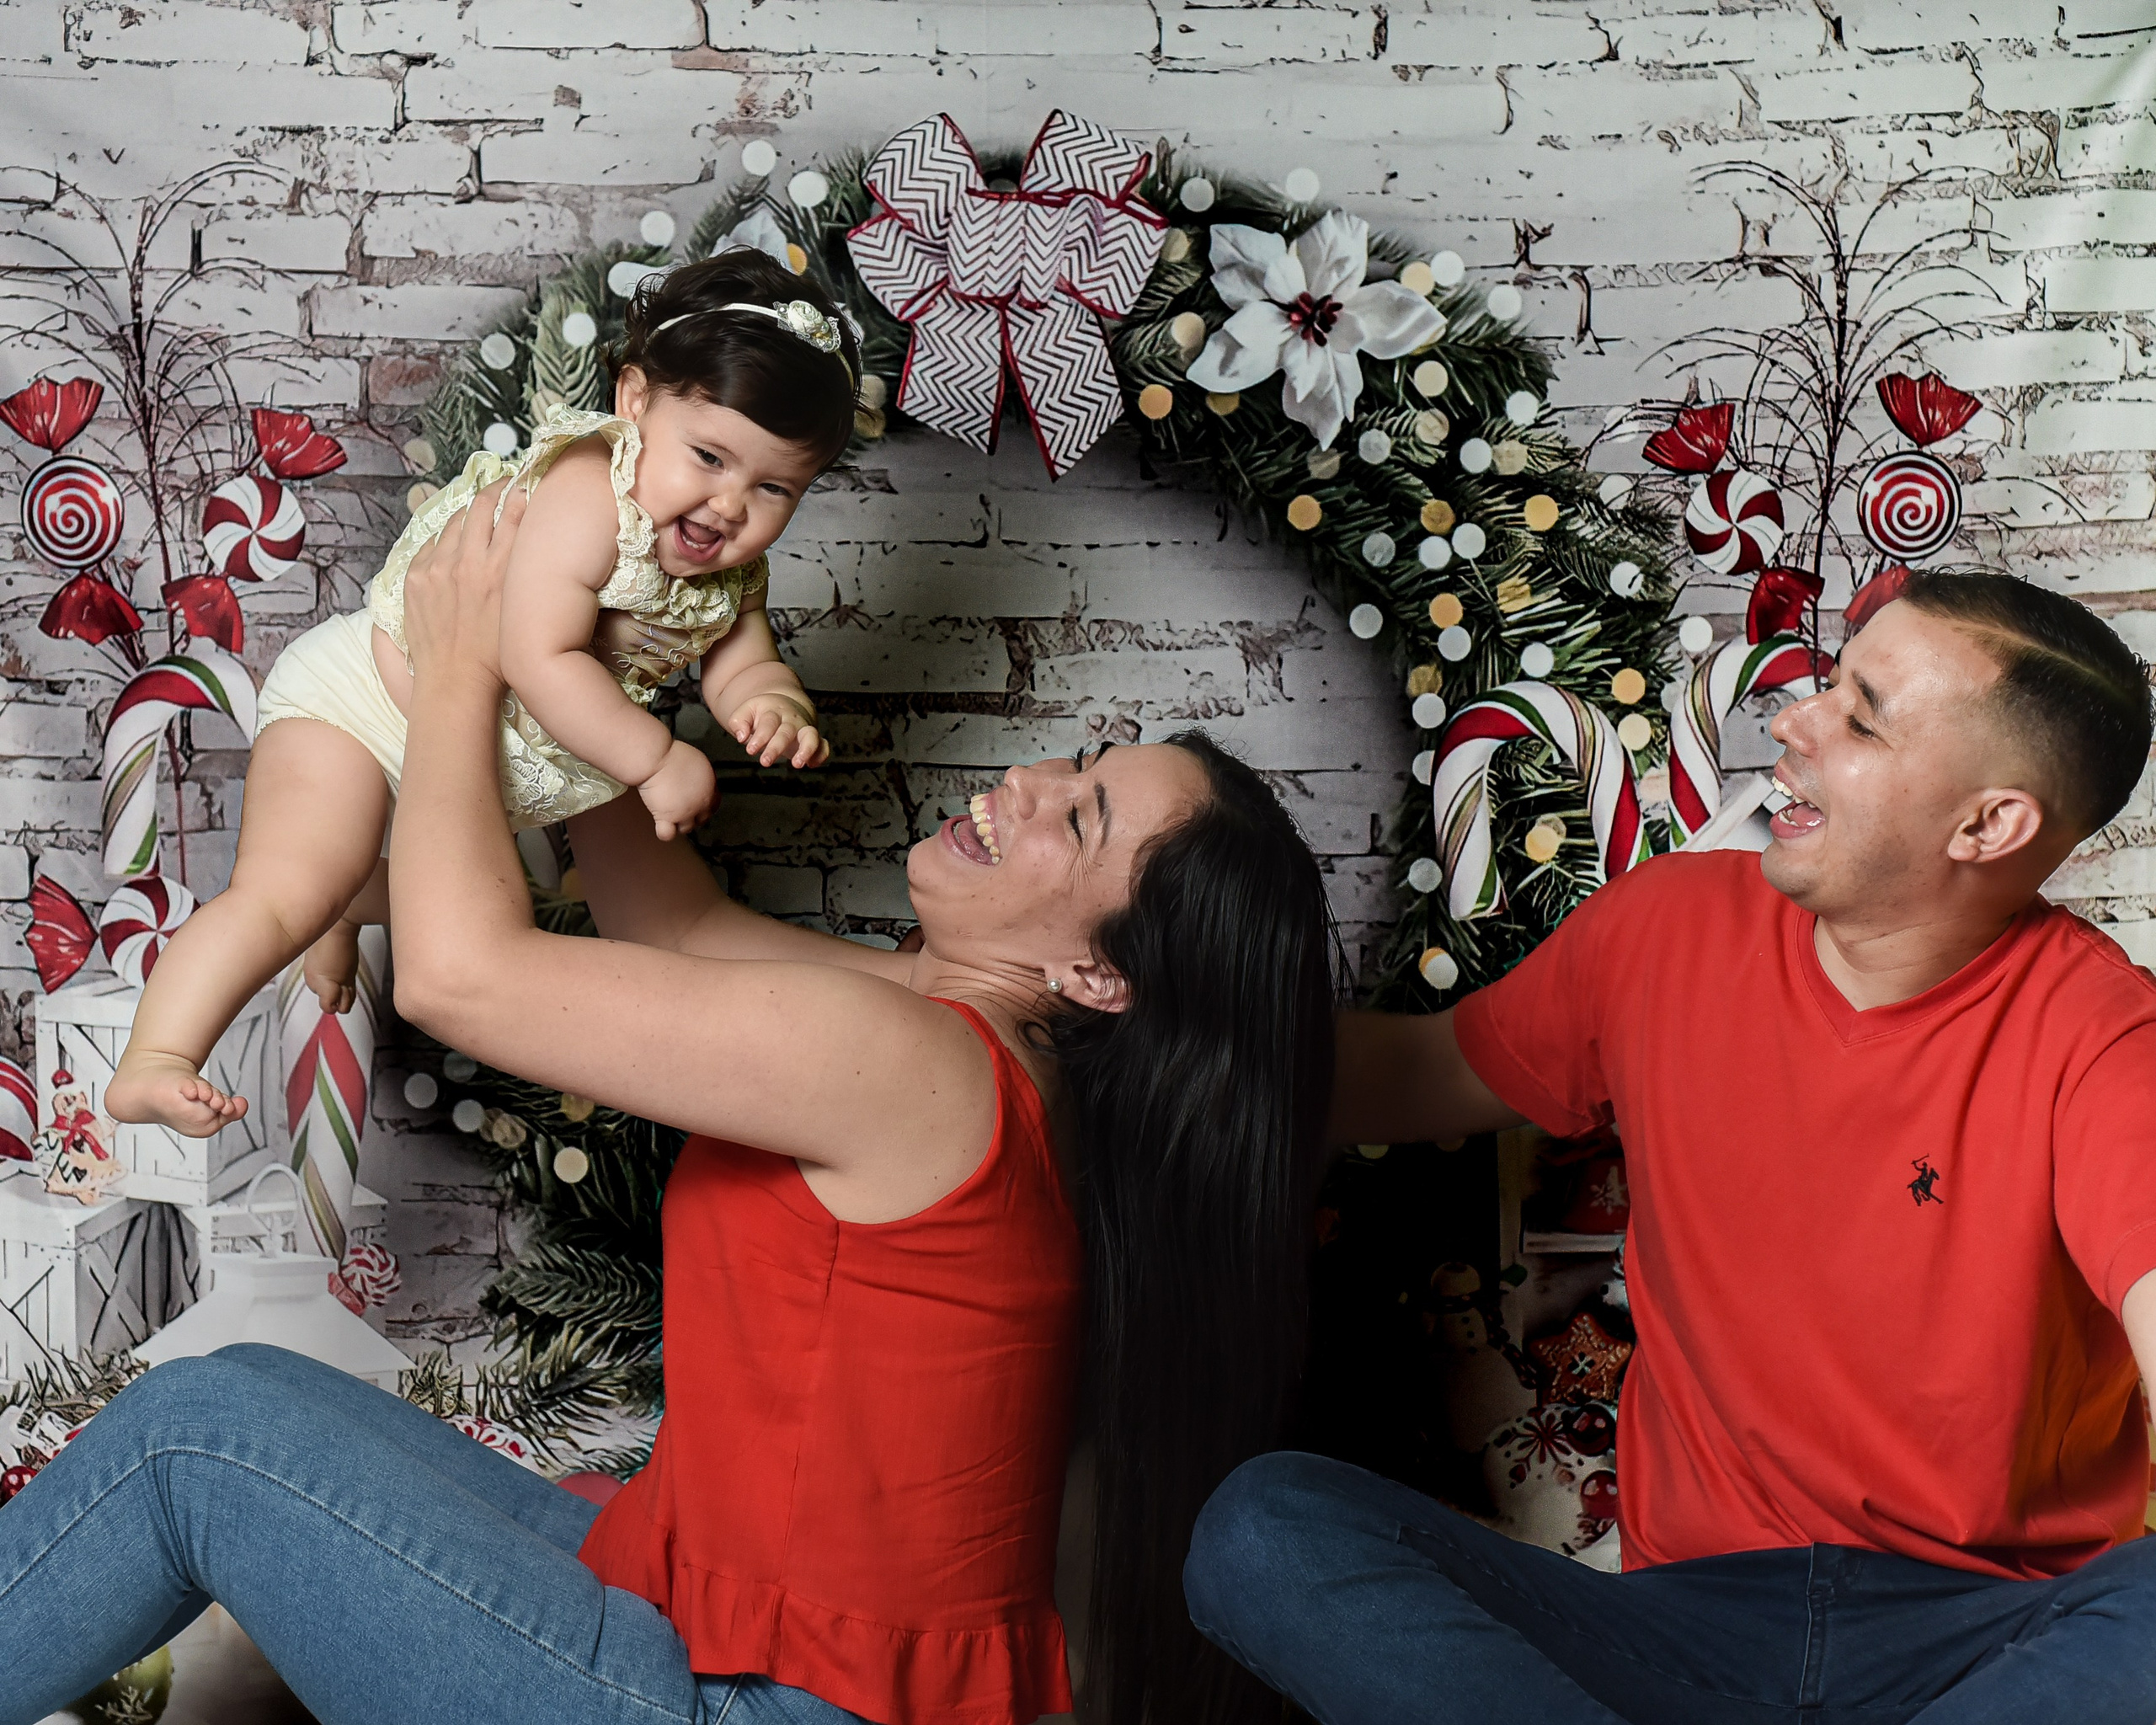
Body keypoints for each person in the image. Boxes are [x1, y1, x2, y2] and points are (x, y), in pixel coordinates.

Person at [0, 478, 1337, 1725]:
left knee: (193, 1436)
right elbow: (674, 920)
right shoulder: (946, 1046)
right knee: (243, 1383)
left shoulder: (912, 1065)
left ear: (1096, 974)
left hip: (756, 1705)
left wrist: (469, 658)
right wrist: (587, 663)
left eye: (1085, 820)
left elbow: (463, 981)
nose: (1036, 783)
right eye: (1083, 759)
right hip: (721, 1632)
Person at [1187, 572, 2156, 1725]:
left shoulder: (2105, 1036)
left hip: (1984, 1649)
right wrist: (1126, 1036)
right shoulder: (1669, 927)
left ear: (1988, 824)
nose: (1793, 719)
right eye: (1827, 685)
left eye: (1860, 715)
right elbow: (1421, 1073)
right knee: (1264, 1527)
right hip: (1681, 1631)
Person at [108, 248, 841, 1140]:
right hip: (361, 707)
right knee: (282, 889)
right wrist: (654, 757)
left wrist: (772, 704)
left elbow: (741, 655)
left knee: (444, 894)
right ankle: (156, 1057)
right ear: (636, 402)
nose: (731, 505)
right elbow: (537, 656)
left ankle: (344, 903)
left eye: (774, 488)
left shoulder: (730, 568)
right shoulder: (587, 496)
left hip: (474, 758)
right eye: (710, 457)